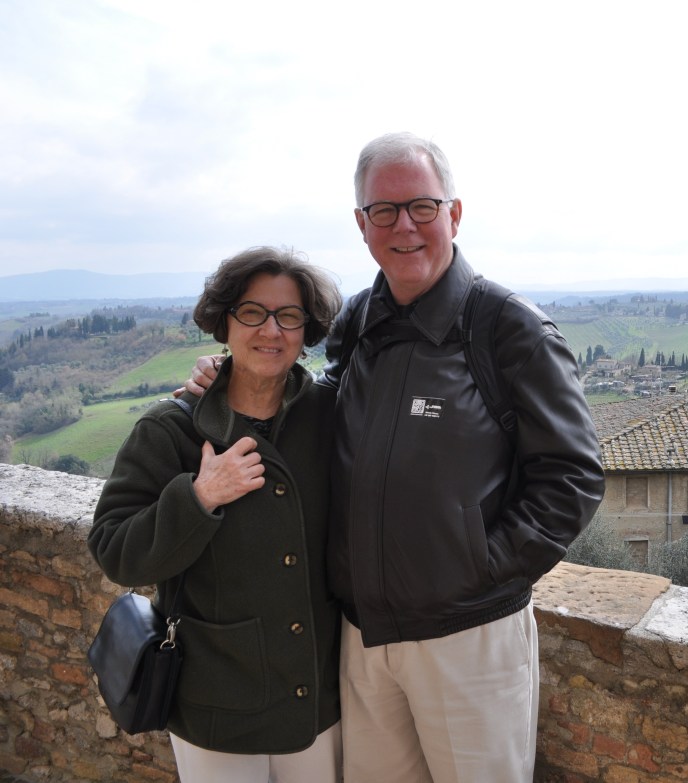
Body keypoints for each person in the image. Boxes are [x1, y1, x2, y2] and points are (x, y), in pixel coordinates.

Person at [187, 132, 605, 782]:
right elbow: (316, 413)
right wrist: (236, 374)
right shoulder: (358, 321)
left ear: (454, 214)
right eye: (384, 210)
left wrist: (477, 566)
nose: (404, 225)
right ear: (362, 224)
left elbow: (572, 478)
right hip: (363, 638)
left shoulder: (508, 328)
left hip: (468, 637)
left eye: (422, 207)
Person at [91, 247, 344, 783]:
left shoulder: (329, 416)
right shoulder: (170, 431)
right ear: (224, 322)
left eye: (289, 316)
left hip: (315, 702)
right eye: (253, 312)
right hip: (217, 706)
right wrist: (198, 498)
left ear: (307, 331)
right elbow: (115, 552)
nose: (271, 331)